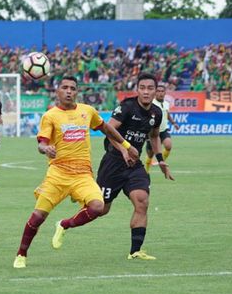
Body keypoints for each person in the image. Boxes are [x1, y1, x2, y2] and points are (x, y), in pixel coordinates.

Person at [13, 76, 139, 269]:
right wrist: (45, 149)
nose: (69, 91)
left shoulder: (87, 111)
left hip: (82, 175)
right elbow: (41, 143)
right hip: (58, 174)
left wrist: (126, 146)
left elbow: (107, 129)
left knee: (98, 207)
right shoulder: (50, 116)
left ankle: (64, 224)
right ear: (58, 92)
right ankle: (21, 254)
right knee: (38, 216)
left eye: (73, 88)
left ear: (77, 92)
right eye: (65, 87)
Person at [98, 73, 174, 261]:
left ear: (156, 91)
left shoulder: (157, 113)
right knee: (100, 209)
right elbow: (108, 131)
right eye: (143, 88)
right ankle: (65, 223)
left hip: (133, 165)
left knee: (142, 200)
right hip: (113, 163)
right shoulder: (126, 107)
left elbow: (154, 136)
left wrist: (160, 159)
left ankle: (135, 251)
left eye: (150, 88)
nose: (146, 92)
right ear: (137, 89)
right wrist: (124, 149)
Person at [144, 83, 180, 168]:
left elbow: (167, 114)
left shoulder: (166, 103)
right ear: (155, 93)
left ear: (165, 93)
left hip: (163, 130)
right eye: (158, 91)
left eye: (162, 91)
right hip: (152, 132)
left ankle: (161, 161)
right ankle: (146, 170)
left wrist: (174, 123)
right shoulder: (151, 103)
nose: (160, 93)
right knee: (150, 154)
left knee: (168, 146)